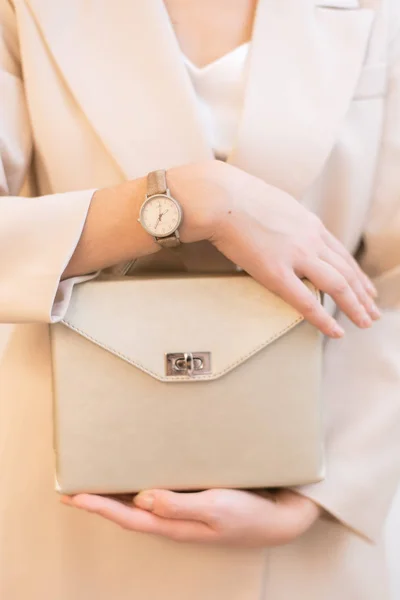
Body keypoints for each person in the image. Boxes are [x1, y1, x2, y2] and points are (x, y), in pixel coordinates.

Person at [1, 0, 399, 598]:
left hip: (314, 498)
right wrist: (189, 200)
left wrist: (322, 494)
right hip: (75, 485)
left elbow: (391, 278)